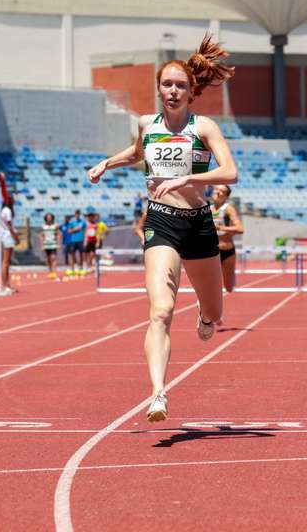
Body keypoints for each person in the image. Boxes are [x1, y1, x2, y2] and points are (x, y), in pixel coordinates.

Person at [88, 33, 237, 422]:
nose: (173, 91)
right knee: (161, 310)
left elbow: (231, 172)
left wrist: (190, 180)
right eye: (167, 85)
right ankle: (158, 394)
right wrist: (108, 163)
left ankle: (205, 317)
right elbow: (138, 153)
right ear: (158, 89)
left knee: (215, 310)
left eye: (180, 86)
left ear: (191, 92)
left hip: (199, 225)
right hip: (161, 222)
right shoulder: (146, 124)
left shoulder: (203, 127)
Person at [210, 185, 244, 294]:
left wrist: (221, 228)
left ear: (226, 197)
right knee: (210, 284)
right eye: (216, 189)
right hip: (211, 251)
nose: (218, 192)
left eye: (222, 191)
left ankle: (230, 274)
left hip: (227, 251)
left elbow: (240, 229)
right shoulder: (207, 209)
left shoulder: (228, 209)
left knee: (229, 287)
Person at [0, 196, 19, 293]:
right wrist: (16, 238)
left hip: (2, 235)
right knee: (5, 262)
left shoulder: (4, 210)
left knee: (6, 262)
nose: (14, 201)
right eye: (13, 200)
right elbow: (9, 226)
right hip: (7, 236)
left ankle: (7, 284)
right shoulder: (7, 211)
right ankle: (5, 285)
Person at [41, 212, 62, 279]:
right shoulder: (43, 226)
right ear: (46, 219)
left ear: (52, 218)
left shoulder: (55, 226)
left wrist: (59, 244)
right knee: (48, 259)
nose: (49, 219)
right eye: (48, 218)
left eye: (50, 218)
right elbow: (41, 236)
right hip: (46, 244)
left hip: (53, 244)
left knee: (53, 258)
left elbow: (59, 234)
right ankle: (50, 271)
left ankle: (54, 272)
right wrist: (42, 245)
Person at [67, 209, 86, 275]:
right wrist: (75, 229)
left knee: (82, 254)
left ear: (80, 214)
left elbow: (86, 231)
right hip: (73, 240)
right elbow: (69, 231)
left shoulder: (83, 222)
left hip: (81, 240)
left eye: (78, 213)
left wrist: (85, 240)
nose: (77, 215)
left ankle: (81, 267)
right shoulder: (72, 222)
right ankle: (75, 266)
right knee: (72, 254)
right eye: (76, 213)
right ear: (75, 214)